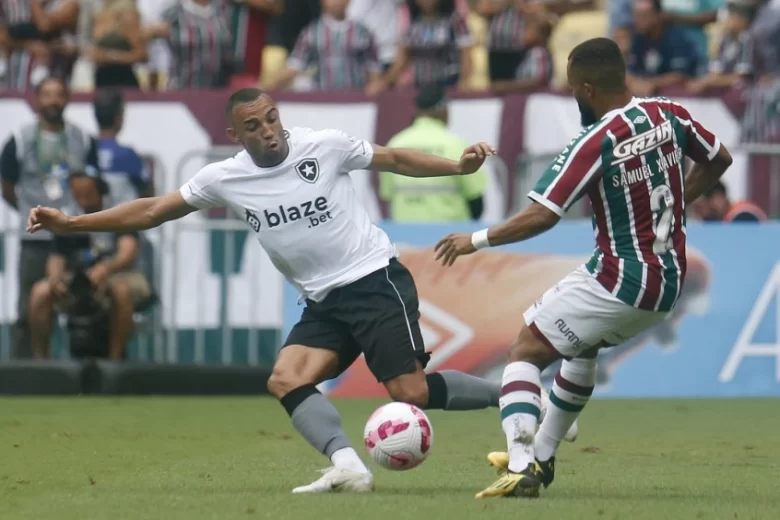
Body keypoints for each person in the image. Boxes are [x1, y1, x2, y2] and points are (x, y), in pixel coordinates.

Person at [28, 87, 504, 494]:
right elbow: (154, 210)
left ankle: (512, 396)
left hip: (373, 281)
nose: (269, 131)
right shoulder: (225, 177)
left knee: (411, 393)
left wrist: (457, 169)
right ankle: (347, 466)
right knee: (285, 378)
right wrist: (72, 223)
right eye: (254, 126)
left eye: (272, 118)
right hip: (323, 301)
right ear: (236, 135)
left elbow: (395, 158)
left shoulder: (324, 146)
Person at [433, 37, 733, 499]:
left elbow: (542, 214)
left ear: (588, 88)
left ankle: (521, 464)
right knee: (581, 349)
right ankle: (545, 456)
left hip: (619, 278)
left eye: (573, 89)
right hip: (666, 283)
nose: (573, 97)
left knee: (526, 350)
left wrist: (475, 240)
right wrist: (678, 201)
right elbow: (719, 159)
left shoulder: (596, 140)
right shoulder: (669, 113)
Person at [0, 77, 100, 359]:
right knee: (26, 309)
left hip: (73, 237)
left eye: (59, 95)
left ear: (67, 99)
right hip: (35, 239)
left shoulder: (82, 138)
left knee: (79, 306)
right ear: (37, 100)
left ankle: (79, 375)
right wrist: (30, 212)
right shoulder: (19, 140)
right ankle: (23, 376)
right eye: (47, 95)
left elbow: (92, 184)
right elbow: (7, 187)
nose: (53, 101)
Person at [28, 171, 152, 360]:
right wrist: (55, 278)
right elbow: (56, 257)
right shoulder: (68, 216)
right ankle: (41, 363)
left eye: (88, 194)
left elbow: (127, 252)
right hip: (79, 280)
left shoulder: (119, 212)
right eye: (78, 195)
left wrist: (106, 269)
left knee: (121, 290)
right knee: (40, 292)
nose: (83, 200)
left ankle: (114, 362)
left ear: (100, 190)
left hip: (120, 274)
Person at [380, 84, 487, 222]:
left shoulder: (394, 145)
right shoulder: (456, 145)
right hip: (451, 236)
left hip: (405, 236)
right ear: (443, 109)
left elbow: (387, 197)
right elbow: (476, 202)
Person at [265, 0, 382, 92]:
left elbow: (373, 68)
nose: (336, 2)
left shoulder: (362, 32)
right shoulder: (311, 32)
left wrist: (375, 86)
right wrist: (269, 88)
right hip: (323, 100)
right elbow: (295, 66)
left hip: (355, 99)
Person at [368, 0, 474, 94]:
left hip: (449, 84)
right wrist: (384, 82)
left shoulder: (455, 20)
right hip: (420, 86)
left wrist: (465, 80)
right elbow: (403, 58)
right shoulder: (413, 23)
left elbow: (465, 52)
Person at [627, 0, 700, 97]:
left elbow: (679, 76)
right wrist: (635, 83)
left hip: (678, 97)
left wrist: (650, 83)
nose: (637, 20)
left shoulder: (677, 38)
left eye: (644, 16)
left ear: (658, 16)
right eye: (635, 16)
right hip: (646, 92)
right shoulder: (638, 37)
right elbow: (630, 70)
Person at [93, 89, 153, 205]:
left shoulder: (85, 153)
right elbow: (147, 194)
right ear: (118, 118)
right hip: (121, 220)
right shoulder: (128, 155)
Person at [686, 0, 756, 93]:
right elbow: (715, 72)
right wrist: (705, 82)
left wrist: (707, 82)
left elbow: (741, 78)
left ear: (743, 20)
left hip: (744, 91)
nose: (726, 21)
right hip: (722, 86)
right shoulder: (725, 40)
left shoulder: (748, 41)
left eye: (731, 17)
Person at [694, 181, 767, 221]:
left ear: (720, 196)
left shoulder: (741, 214)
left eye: (711, 199)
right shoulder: (726, 216)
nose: (711, 206)